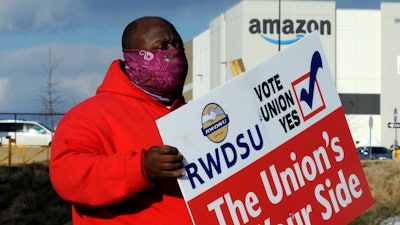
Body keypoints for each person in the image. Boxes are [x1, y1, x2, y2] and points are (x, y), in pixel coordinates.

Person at [49, 16, 193, 225]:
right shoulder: (88, 116)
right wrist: (141, 167)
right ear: (133, 58)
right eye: (161, 46)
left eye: (177, 44)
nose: (173, 52)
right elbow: (68, 177)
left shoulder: (192, 115)